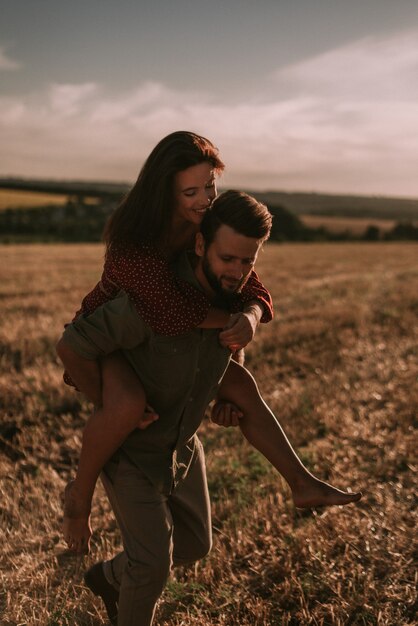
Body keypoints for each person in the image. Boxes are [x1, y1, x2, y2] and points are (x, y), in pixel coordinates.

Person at [58, 191, 362, 626]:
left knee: (196, 545)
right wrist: (109, 405)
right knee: (152, 567)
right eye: (228, 259)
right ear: (200, 245)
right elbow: (73, 345)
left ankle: (110, 577)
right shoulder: (153, 300)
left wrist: (225, 383)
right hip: (132, 452)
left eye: (248, 262)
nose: (237, 272)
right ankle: (120, 562)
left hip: (183, 446)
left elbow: (224, 351)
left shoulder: (236, 299)